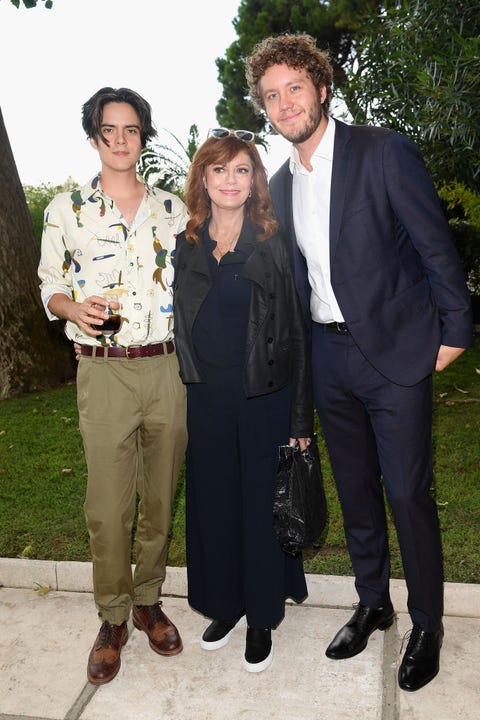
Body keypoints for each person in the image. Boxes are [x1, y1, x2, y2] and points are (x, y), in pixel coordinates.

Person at [245, 34, 473, 691]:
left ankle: (425, 621)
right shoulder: (281, 185)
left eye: (295, 88)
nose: (285, 103)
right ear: (266, 110)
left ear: (320, 87)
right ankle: (372, 602)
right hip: (328, 356)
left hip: (397, 352)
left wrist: (455, 329)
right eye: (272, 96)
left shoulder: (381, 151)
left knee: (407, 491)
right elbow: (295, 283)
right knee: (356, 493)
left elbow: (434, 245)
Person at [38, 87, 188, 685]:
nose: (121, 139)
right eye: (110, 130)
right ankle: (112, 616)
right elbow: (49, 284)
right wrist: (72, 310)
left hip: (168, 368)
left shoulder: (175, 209)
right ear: (94, 136)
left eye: (131, 129)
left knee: (159, 496)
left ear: (143, 136)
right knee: (107, 506)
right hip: (102, 371)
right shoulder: (66, 209)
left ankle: (148, 600)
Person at [173, 128, 313, 672]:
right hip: (205, 397)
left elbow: (299, 332)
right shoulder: (188, 243)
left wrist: (302, 415)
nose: (230, 181)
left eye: (241, 170)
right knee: (214, 501)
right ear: (203, 180)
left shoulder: (273, 241)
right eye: (219, 170)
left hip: (264, 397)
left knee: (260, 506)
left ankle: (261, 616)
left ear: (254, 180)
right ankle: (226, 604)